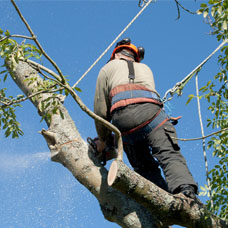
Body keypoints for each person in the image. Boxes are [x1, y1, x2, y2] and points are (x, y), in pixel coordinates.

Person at [94, 38, 198, 200]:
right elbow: (139, 107)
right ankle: (186, 192)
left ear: (115, 55)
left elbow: (101, 111)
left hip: (123, 122)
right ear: (135, 57)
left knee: (144, 166)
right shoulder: (145, 68)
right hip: (152, 116)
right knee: (168, 154)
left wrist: (103, 140)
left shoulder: (107, 68)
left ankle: (159, 201)